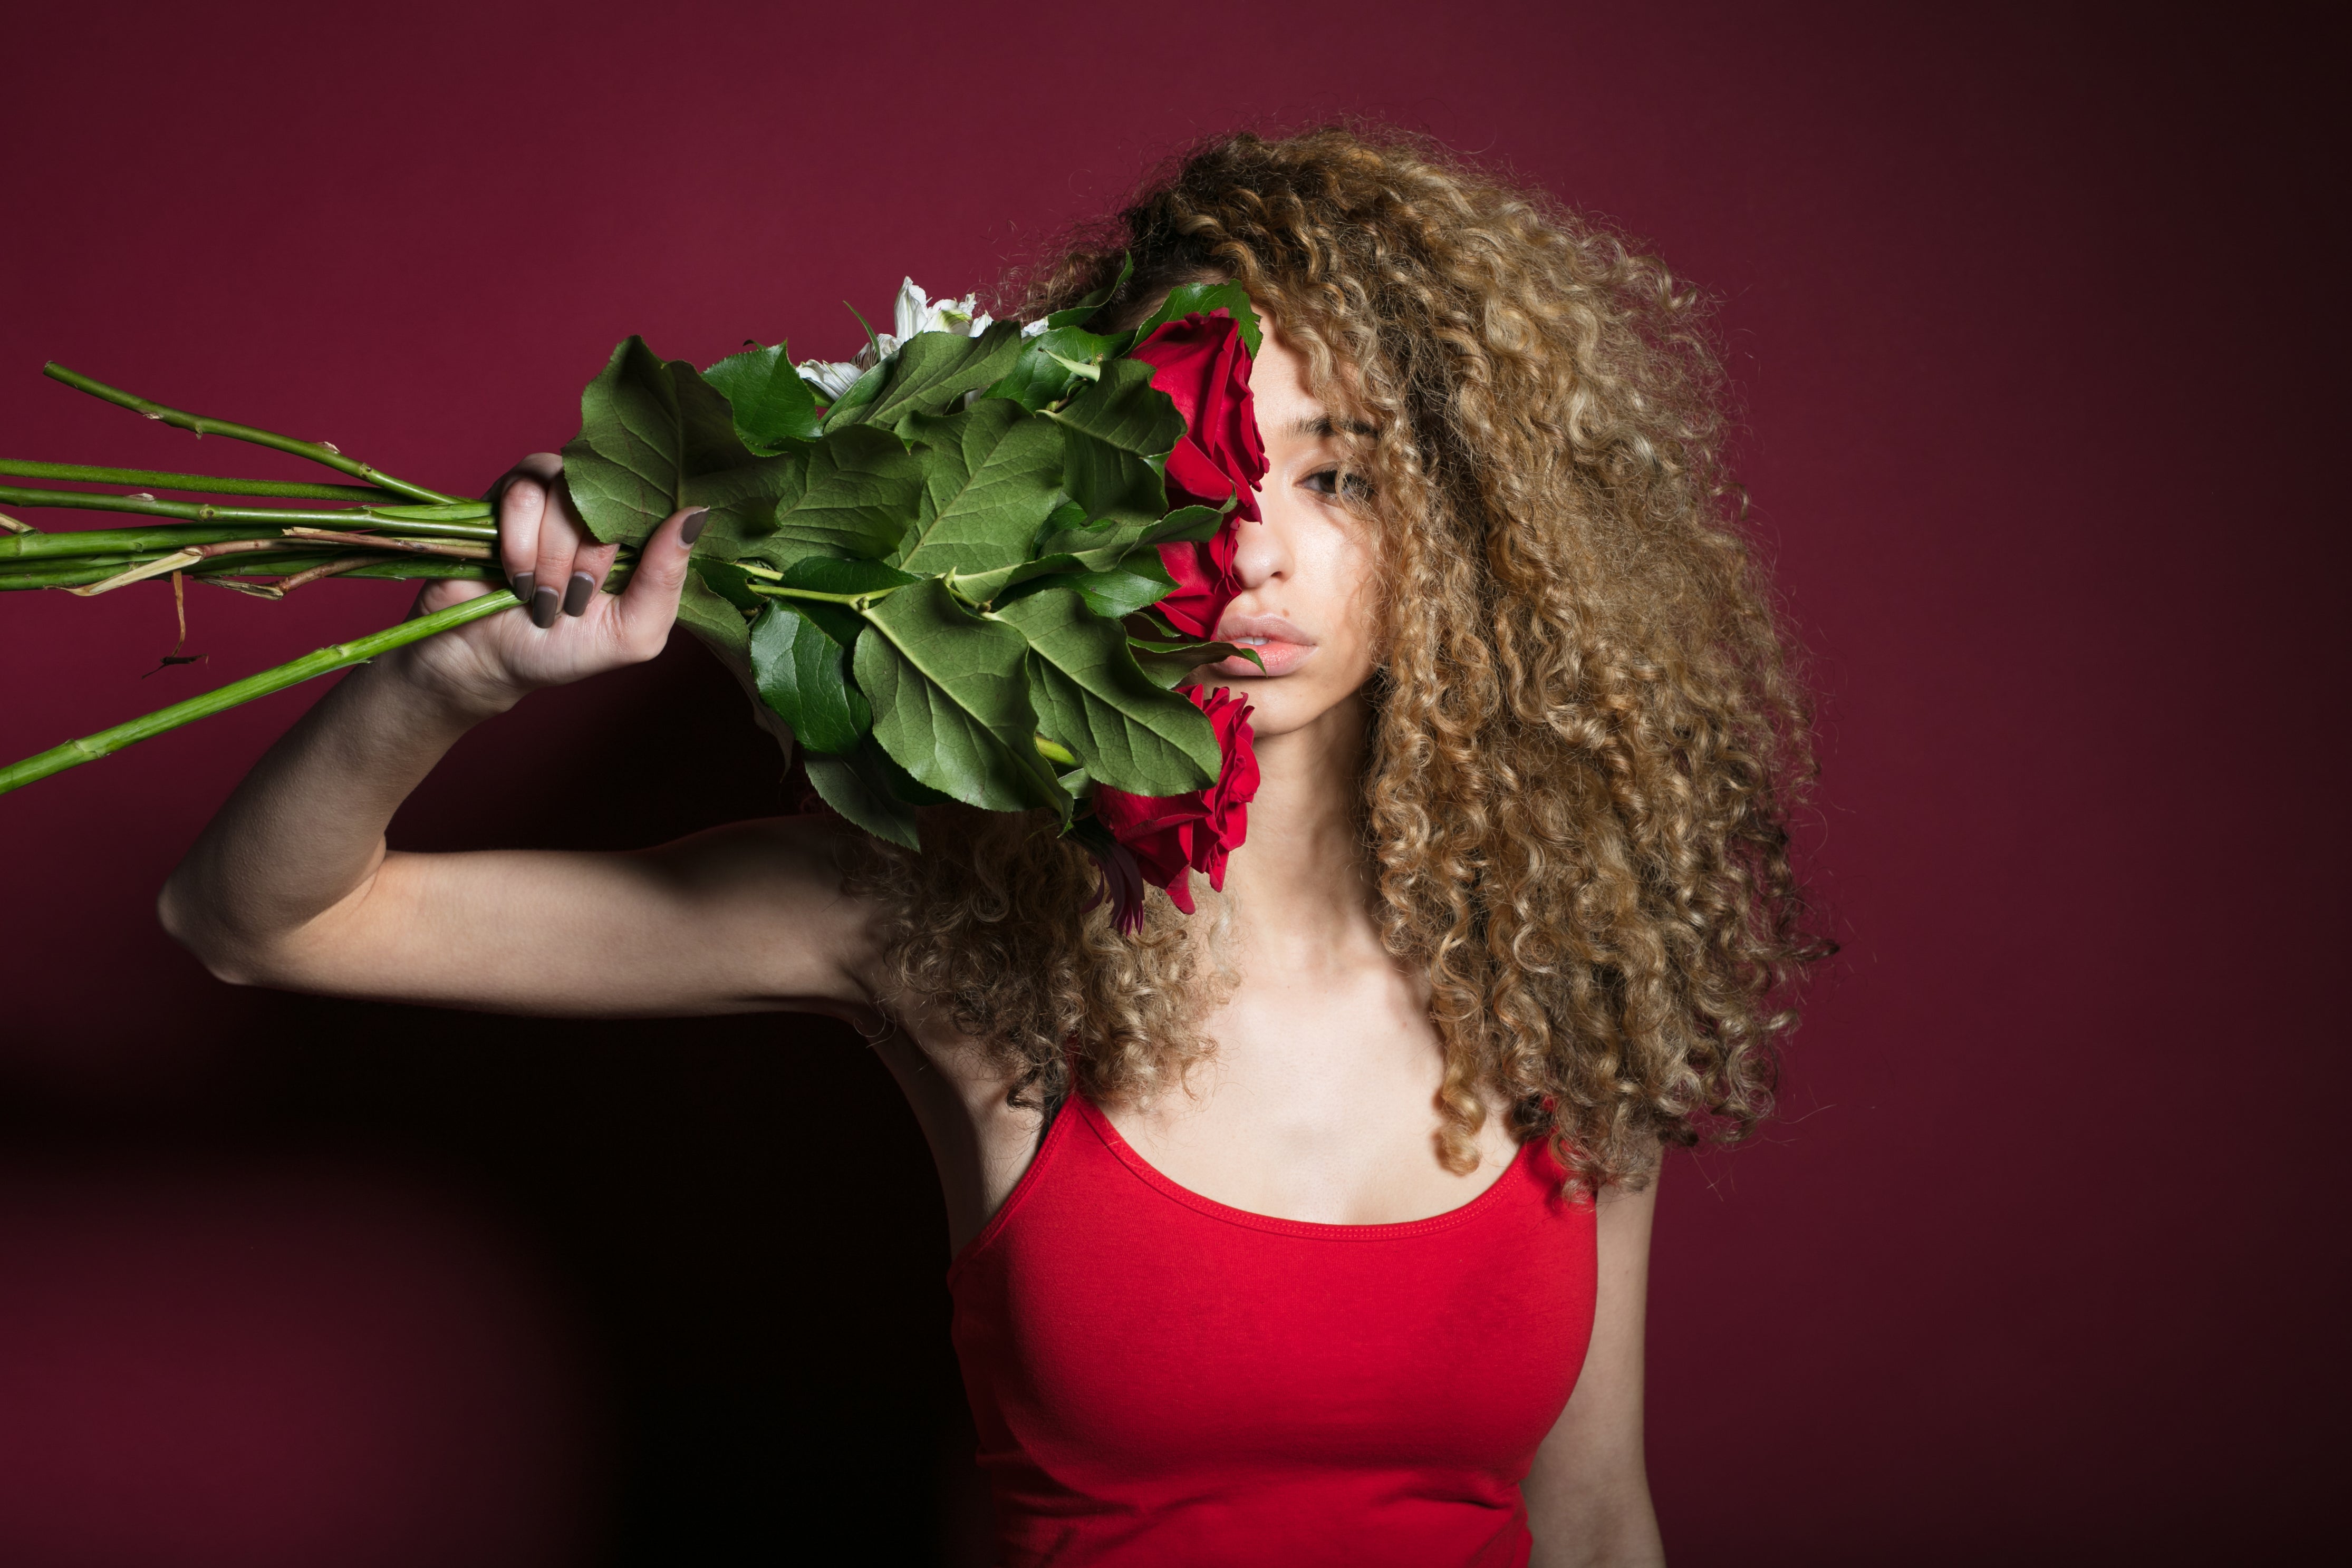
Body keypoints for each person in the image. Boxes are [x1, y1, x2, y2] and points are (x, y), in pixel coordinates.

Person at [158, 128, 1827, 1567]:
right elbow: (265, 923)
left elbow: (1594, 1517)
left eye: (1342, 481)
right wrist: (451, 679)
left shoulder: (1561, 968)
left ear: (1469, 533)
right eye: (1208, 467)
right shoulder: (952, 923)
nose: (1255, 556)